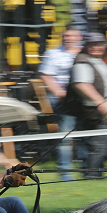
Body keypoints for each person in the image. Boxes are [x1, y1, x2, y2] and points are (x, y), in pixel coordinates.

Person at [66, 32, 107, 178]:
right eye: (92, 44)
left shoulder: (94, 60)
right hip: (93, 111)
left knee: (102, 144)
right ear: (86, 46)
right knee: (98, 145)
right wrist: (100, 101)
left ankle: (95, 173)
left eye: (99, 44)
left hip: (99, 110)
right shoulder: (83, 61)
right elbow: (81, 85)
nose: (96, 47)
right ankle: (92, 176)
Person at [39, 24, 82, 181]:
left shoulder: (84, 53)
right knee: (66, 135)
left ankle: (88, 168)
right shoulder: (53, 53)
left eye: (71, 36)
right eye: (65, 36)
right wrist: (59, 92)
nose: (68, 39)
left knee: (88, 133)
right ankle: (65, 171)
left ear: (79, 37)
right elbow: (46, 76)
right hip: (63, 99)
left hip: (83, 98)